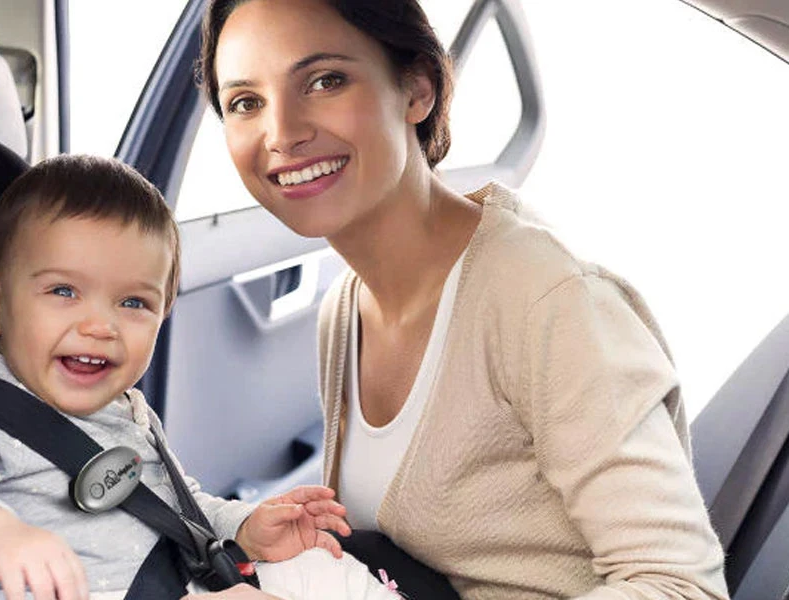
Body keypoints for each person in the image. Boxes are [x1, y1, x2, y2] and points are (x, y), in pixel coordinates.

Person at [191, 0, 730, 599]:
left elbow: (681, 586)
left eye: (325, 81)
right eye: (246, 102)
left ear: (417, 89)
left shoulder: (546, 301)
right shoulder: (344, 310)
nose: (283, 132)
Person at [0, 154, 402, 600]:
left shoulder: (124, 408)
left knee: (323, 565)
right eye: (64, 290)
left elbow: (177, 506)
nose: (100, 326)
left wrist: (244, 526)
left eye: (133, 303)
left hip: (179, 579)